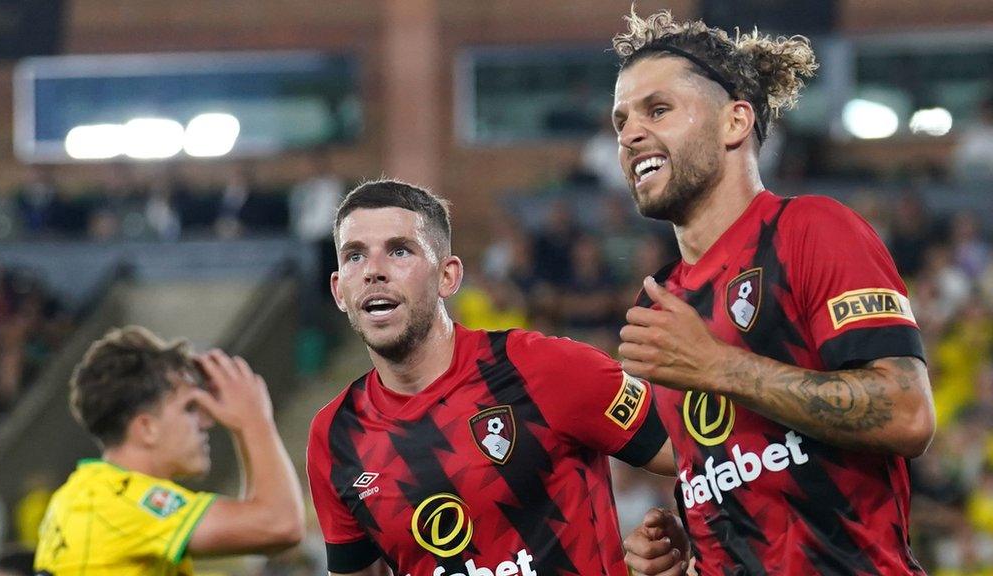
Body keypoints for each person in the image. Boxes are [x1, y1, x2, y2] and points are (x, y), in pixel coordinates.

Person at [609, 9, 936, 575]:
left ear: (735, 122)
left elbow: (908, 414)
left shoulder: (811, 230)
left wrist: (719, 366)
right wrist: (684, 555)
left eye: (657, 110)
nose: (630, 134)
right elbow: (734, 470)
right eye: (620, 121)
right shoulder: (659, 299)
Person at [306, 180, 684, 576]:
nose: (373, 272)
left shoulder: (547, 368)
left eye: (399, 250)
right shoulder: (334, 437)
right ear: (338, 291)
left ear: (448, 277)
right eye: (354, 257)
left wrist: (691, 538)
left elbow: (704, 457)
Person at [33, 326, 304, 575]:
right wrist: (254, 419)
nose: (207, 421)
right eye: (189, 408)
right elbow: (280, 526)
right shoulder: (124, 502)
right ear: (147, 427)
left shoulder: (88, 495)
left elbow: (261, 530)